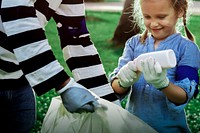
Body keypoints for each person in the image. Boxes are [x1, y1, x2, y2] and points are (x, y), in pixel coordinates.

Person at [0, 0, 117, 132]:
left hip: (18, 81)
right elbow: (17, 14)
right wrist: (63, 84)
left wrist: (111, 106)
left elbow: (76, 37)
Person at [109, 0, 200, 132]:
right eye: (147, 17)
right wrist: (123, 81)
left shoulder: (187, 48)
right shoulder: (134, 44)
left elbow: (184, 95)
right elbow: (114, 88)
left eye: (161, 17)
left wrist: (163, 84)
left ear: (180, 11)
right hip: (132, 127)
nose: (153, 23)